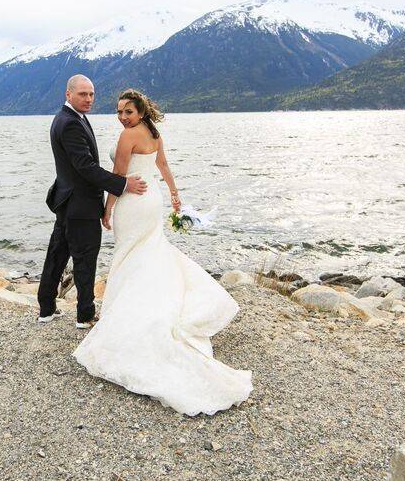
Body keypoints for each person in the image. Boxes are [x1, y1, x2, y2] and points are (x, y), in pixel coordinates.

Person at [72, 89, 253, 416]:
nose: (122, 117)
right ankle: (152, 303)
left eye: (128, 111)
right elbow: (163, 164)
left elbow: (118, 176)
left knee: (130, 256)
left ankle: (130, 314)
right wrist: (173, 193)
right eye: (119, 112)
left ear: (140, 110)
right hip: (151, 198)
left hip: (133, 202)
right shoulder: (154, 133)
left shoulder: (128, 136)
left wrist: (107, 210)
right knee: (149, 253)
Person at [37, 75, 148, 329]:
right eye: (82, 94)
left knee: (57, 254)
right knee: (85, 259)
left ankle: (46, 308)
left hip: (67, 201)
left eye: (91, 94)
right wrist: (123, 184)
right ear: (68, 94)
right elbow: (86, 167)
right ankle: (85, 316)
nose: (88, 99)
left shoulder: (69, 117)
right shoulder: (70, 123)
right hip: (80, 205)